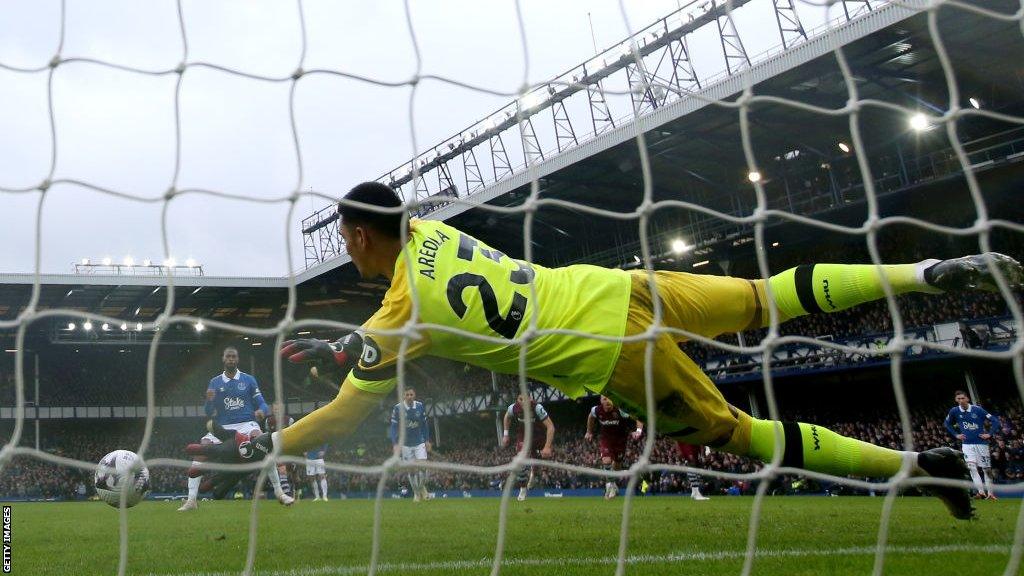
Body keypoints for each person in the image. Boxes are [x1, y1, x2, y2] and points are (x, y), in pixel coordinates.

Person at [191, 181, 1024, 521]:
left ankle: (924, 469)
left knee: (734, 433)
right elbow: (385, 330)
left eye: (349, 241)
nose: (349, 253)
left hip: (612, 357)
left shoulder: (399, 312)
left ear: (359, 234)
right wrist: (342, 349)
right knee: (771, 295)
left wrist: (268, 446)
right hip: (619, 286)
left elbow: (345, 413)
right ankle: (925, 271)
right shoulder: (433, 233)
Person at [179, 346, 293, 511]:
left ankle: (279, 492)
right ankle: (191, 500)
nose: (231, 359)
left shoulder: (248, 380)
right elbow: (209, 412)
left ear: (237, 360)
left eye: (234, 356)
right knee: (201, 449)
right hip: (223, 425)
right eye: (228, 356)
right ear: (223, 359)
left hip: (247, 423)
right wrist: (209, 401)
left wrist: (262, 410)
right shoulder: (215, 382)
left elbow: (262, 403)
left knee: (262, 443)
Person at [944, 390, 1002, 500]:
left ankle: (990, 494)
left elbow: (995, 421)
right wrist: (956, 435)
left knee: (986, 469)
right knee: (972, 468)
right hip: (967, 445)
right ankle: (981, 493)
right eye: (958, 399)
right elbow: (947, 423)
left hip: (981, 444)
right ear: (956, 400)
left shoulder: (978, 410)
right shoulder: (954, 411)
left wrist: (989, 434)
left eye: (962, 398)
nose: (960, 401)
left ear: (967, 399)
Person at [585, 395, 643, 499]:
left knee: (617, 465)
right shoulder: (596, 410)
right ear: (601, 401)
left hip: (620, 441)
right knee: (606, 461)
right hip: (606, 440)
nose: (607, 401)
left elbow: (638, 416)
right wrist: (589, 432)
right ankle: (610, 486)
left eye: (609, 399)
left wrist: (638, 431)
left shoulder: (620, 410)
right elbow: (590, 417)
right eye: (604, 399)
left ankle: (613, 483)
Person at [502, 394, 556, 501]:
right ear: (517, 400)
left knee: (537, 463)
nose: (523, 402)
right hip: (523, 437)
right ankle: (522, 489)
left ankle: (534, 474)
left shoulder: (537, 408)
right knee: (521, 461)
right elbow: (507, 417)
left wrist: (547, 447)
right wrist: (506, 434)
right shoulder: (513, 408)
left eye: (525, 399)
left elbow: (550, 427)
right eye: (520, 399)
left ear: (530, 399)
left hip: (539, 436)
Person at [389, 387, 432, 501]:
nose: (409, 397)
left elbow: (424, 425)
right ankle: (417, 493)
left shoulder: (420, 406)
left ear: (414, 395)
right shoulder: (398, 408)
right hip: (405, 445)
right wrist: (395, 443)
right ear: (403, 396)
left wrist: (427, 440)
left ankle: (421, 487)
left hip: (419, 442)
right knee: (411, 471)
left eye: (411, 394)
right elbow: (393, 427)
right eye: (407, 395)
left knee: (423, 468)